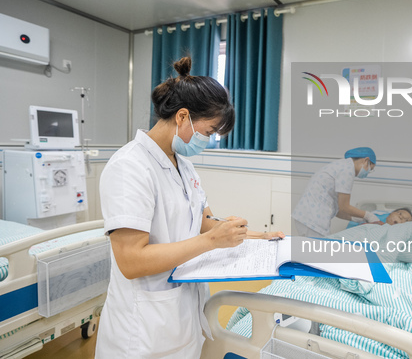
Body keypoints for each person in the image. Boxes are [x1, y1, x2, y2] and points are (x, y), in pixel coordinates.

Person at [95, 56, 284, 358]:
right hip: (143, 330)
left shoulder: (183, 165)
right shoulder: (129, 167)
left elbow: (202, 220)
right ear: (182, 117)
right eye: (208, 132)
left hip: (182, 315)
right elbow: (131, 261)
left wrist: (252, 236)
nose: (207, 141)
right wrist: (211, 241)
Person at [292, 147, 380, 237]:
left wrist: (358, 219)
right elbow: (344, 207)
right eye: (370, 168)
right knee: (317, 249)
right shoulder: (348, 170)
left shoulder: (342, 166)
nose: (368, 172)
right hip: (312, 220)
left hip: (306, 217)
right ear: (366, 160)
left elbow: (338, 211)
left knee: (313, 249)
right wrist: (368, 215)